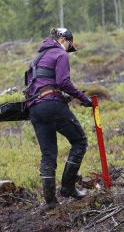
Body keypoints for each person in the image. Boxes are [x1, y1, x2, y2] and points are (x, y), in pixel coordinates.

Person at [25, 28, 93, 209]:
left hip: (35, 109)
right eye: (69, 45)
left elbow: (38, 85)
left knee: (48, 154)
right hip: (51, 105)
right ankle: (68, 187)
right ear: (63, 39)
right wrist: (83, 98)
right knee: (80, 141)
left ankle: (51, 202)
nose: (69, 49)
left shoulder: (37, 59)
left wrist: (62, 97)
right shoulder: (60, 55)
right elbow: (63, 82)